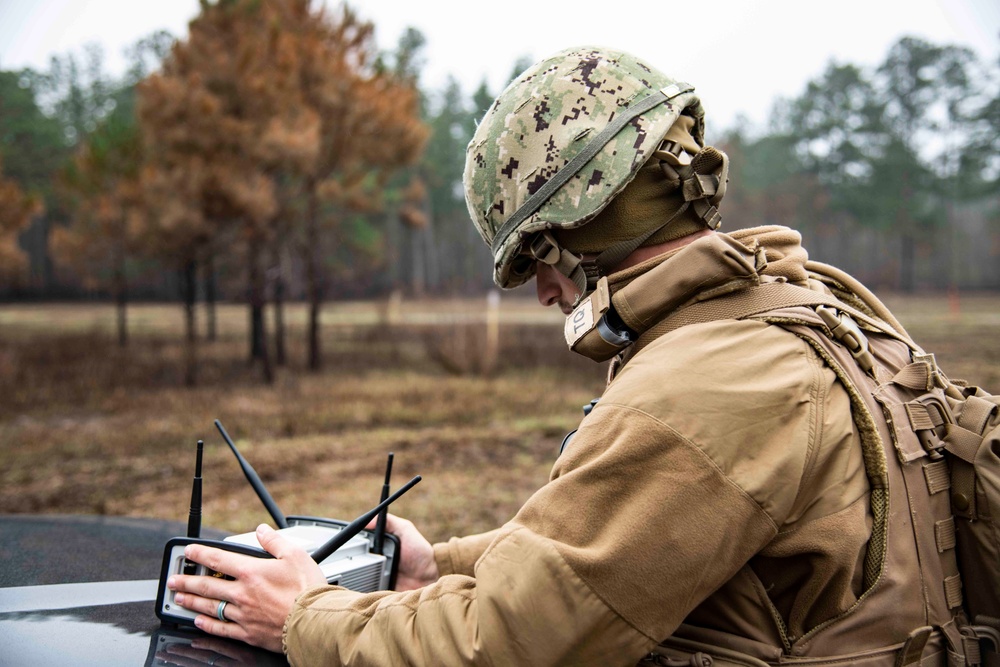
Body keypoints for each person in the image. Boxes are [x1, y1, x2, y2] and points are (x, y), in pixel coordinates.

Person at [167, 46, 971, 666]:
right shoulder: (813, 310)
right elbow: (615, 551)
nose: (543, 292)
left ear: (584, 234)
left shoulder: (700, 387)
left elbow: (507, 644)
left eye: (535, 259)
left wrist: (304, 617)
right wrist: (433, 566)